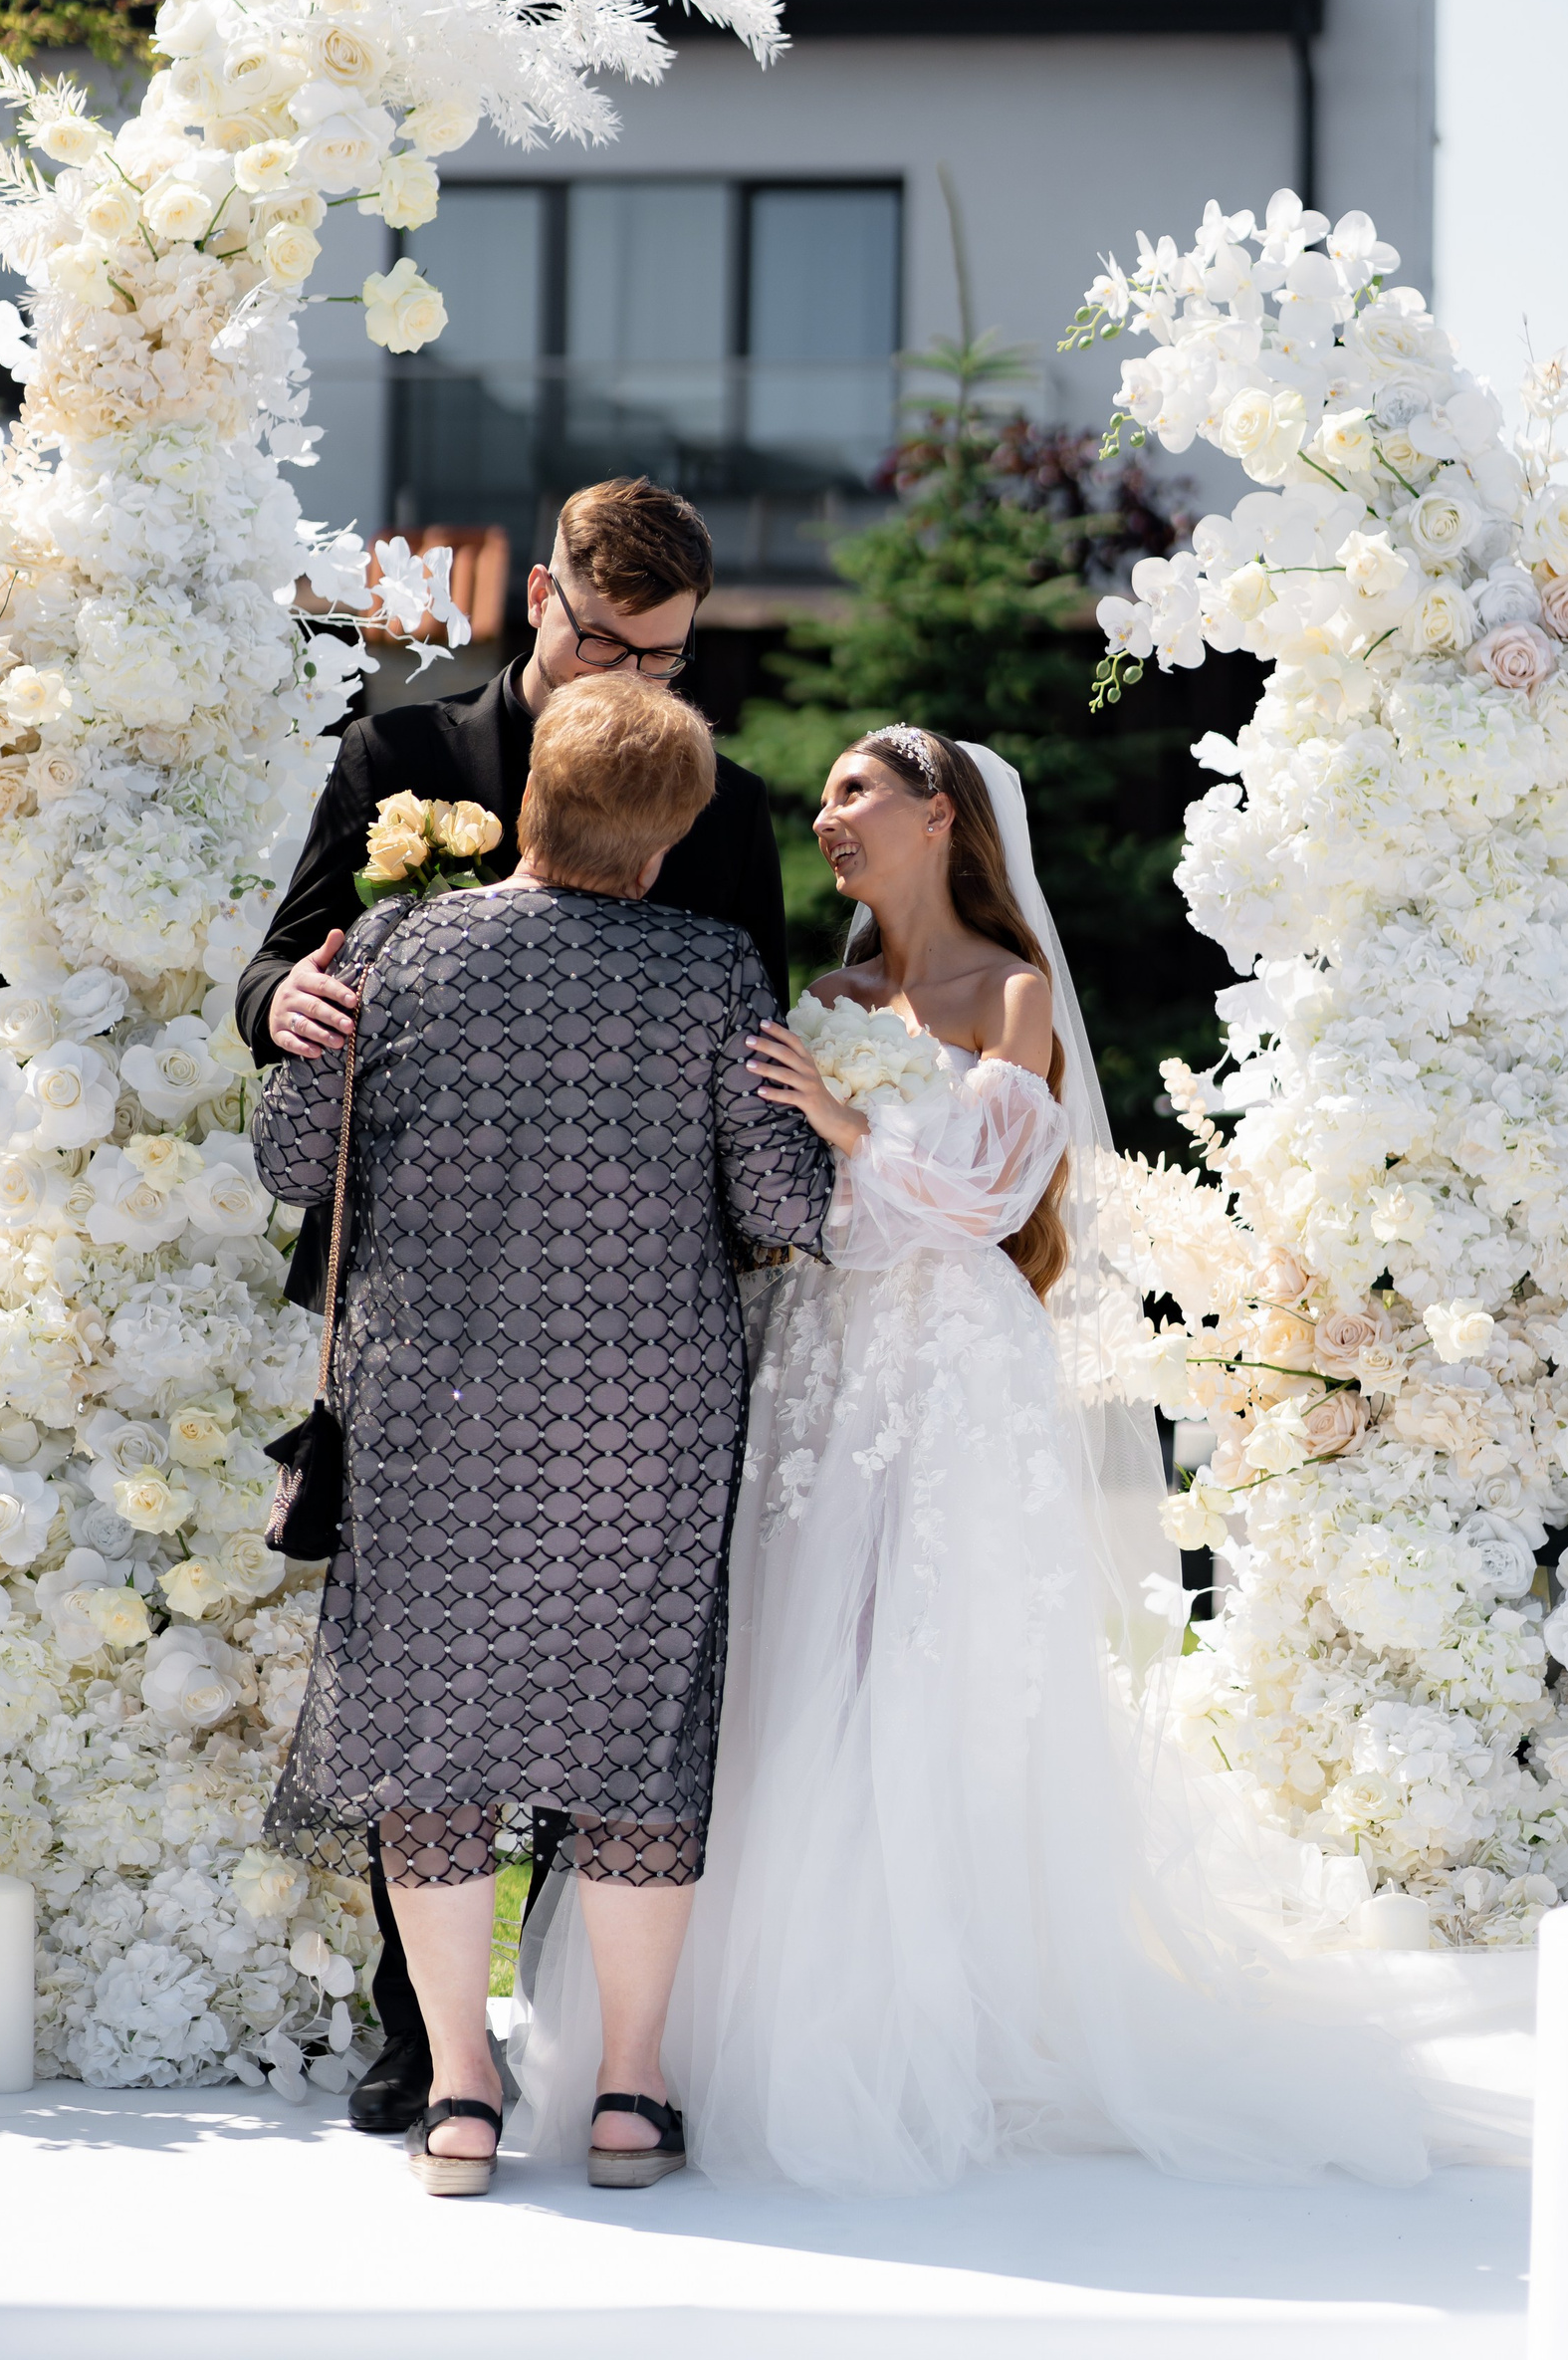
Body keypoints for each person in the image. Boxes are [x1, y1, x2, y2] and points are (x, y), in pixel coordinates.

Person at [505, 725, 1442, 2191]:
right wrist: (838, 1160)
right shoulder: (822, 998)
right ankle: (730, 2028)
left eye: (855, 792)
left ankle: (950, 2014)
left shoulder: (1015, 994)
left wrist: (848, 1127)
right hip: (822, 1355)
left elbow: (988, 1199)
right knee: (798, 1649)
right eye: (825, 798)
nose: (828, 818)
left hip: (956, 1367)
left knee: (943, 1652)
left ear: (939, 815)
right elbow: (785, 1197)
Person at [237, 475, 787, 2133]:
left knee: (510, 1673)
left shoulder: (722, 803)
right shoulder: (402, 755)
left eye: (670, 655)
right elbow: (280, 964)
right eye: (614, 640)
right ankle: (435, 2042)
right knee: (466, 1683)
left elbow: (748, 1041)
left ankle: (542, 2036)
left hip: (611, 1307)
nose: (640, 675)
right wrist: (289, 1015)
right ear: (542, 597)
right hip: (445, 1299)